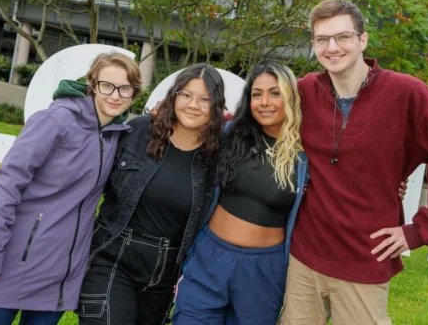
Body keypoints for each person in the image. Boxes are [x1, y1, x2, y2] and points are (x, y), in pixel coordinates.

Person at [279, 0, 428, 325]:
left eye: (342, 37)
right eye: (322, 40)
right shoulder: (303, 92)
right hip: (304, 258)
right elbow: (253, 122)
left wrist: (418, 231)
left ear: (363, 39)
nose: (332, 47)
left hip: (366, 260)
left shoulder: (408, 94)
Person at [171, 63, 409, 325]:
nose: (265, 102)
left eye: (275, 93)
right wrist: (159, 116)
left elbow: (351, 174)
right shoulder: (231, 134)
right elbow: (186, 137)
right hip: (210, 257)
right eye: (257, 94)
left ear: (290, 98)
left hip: (264, 269)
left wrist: (393, 185)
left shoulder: (308, 152)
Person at [0, 52, 142, 325]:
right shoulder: (56, 120)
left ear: (135, 93)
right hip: (15, 261)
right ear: (92, 83)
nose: (115, 95)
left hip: (62, 274)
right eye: (107, 85)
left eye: (126, 88)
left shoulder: (116, 136)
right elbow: (7, 183)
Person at [77, 64, 226, 325]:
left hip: (167, 273)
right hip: (114, 257)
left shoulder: (218, 156)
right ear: (173, 96)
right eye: (186, 95)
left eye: (205, 99)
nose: (193, 105)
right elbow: (87, 178)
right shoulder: (141, 130)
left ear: (217, 106)